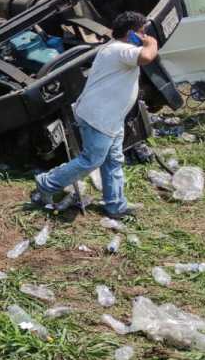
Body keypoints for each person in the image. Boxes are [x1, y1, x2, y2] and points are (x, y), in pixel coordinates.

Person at [31, 12, 159, 219]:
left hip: (110, 118)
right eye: (142, 32)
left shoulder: (115, 49)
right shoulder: (120, 49)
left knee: (113, 160)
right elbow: (147, 56)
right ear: (131, 33)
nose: (145, 35)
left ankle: (115, 206)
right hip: (98, 117)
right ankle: (46, 184)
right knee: (91, 160)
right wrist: (151, 43)